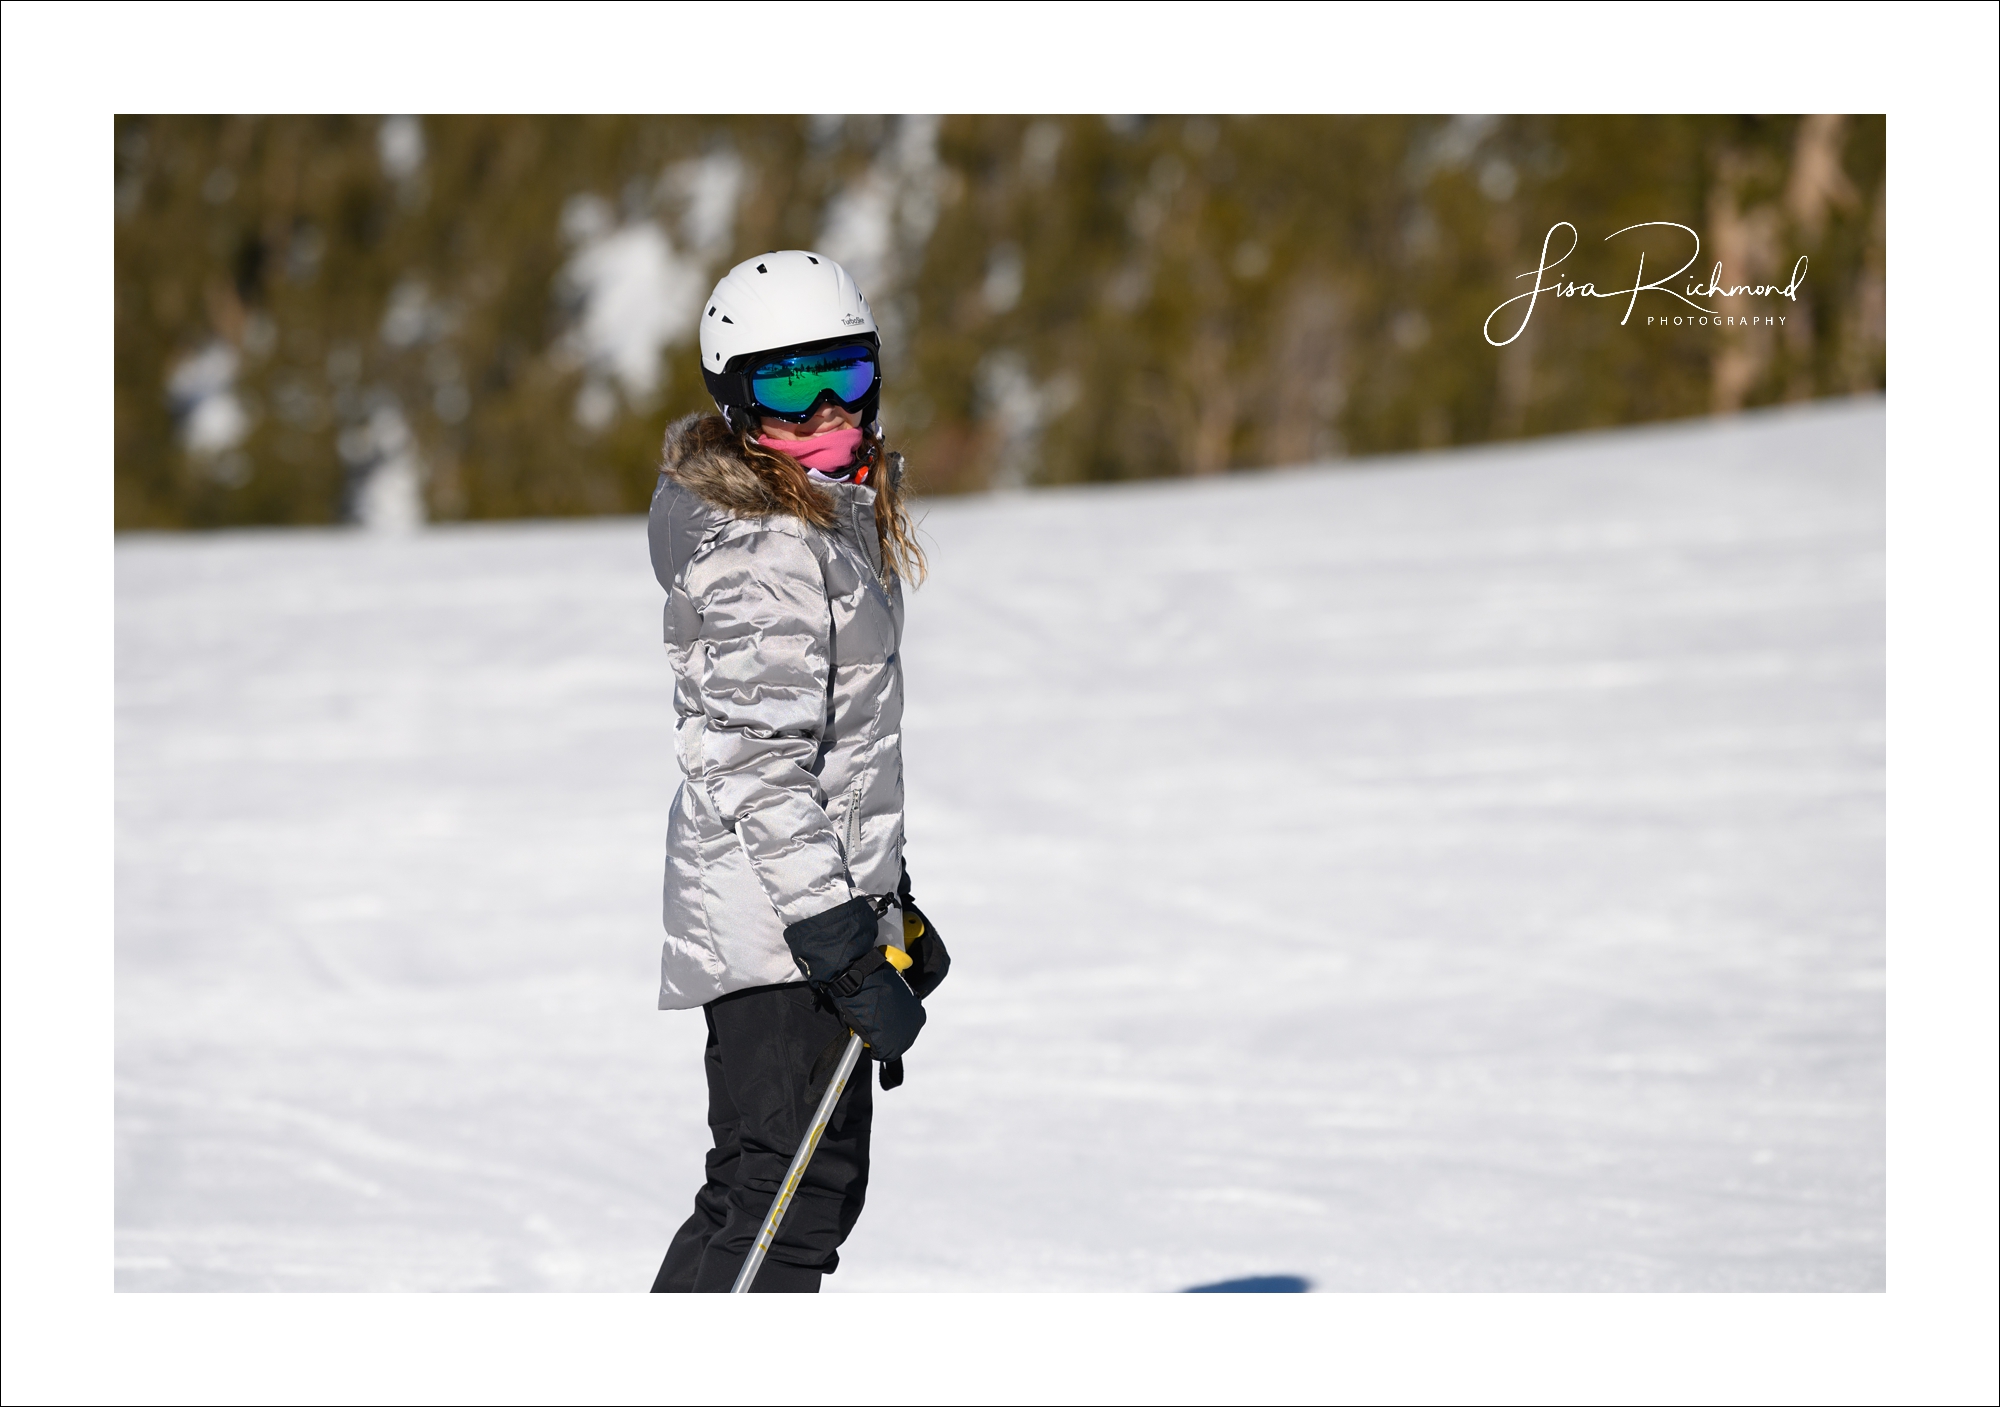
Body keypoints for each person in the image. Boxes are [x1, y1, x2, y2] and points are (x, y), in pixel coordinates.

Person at [646, 250, 949, 1293]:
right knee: (778, 1204)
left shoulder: (819, 519)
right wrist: (834, 935)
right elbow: (758, 763)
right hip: (778, 927)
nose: (824, 408)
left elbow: (838, 751)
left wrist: (886, 907)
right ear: (734, 402)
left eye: (844, 376)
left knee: (788, 1197)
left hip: (807, 913)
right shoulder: (766, 545)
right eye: (785, 385)